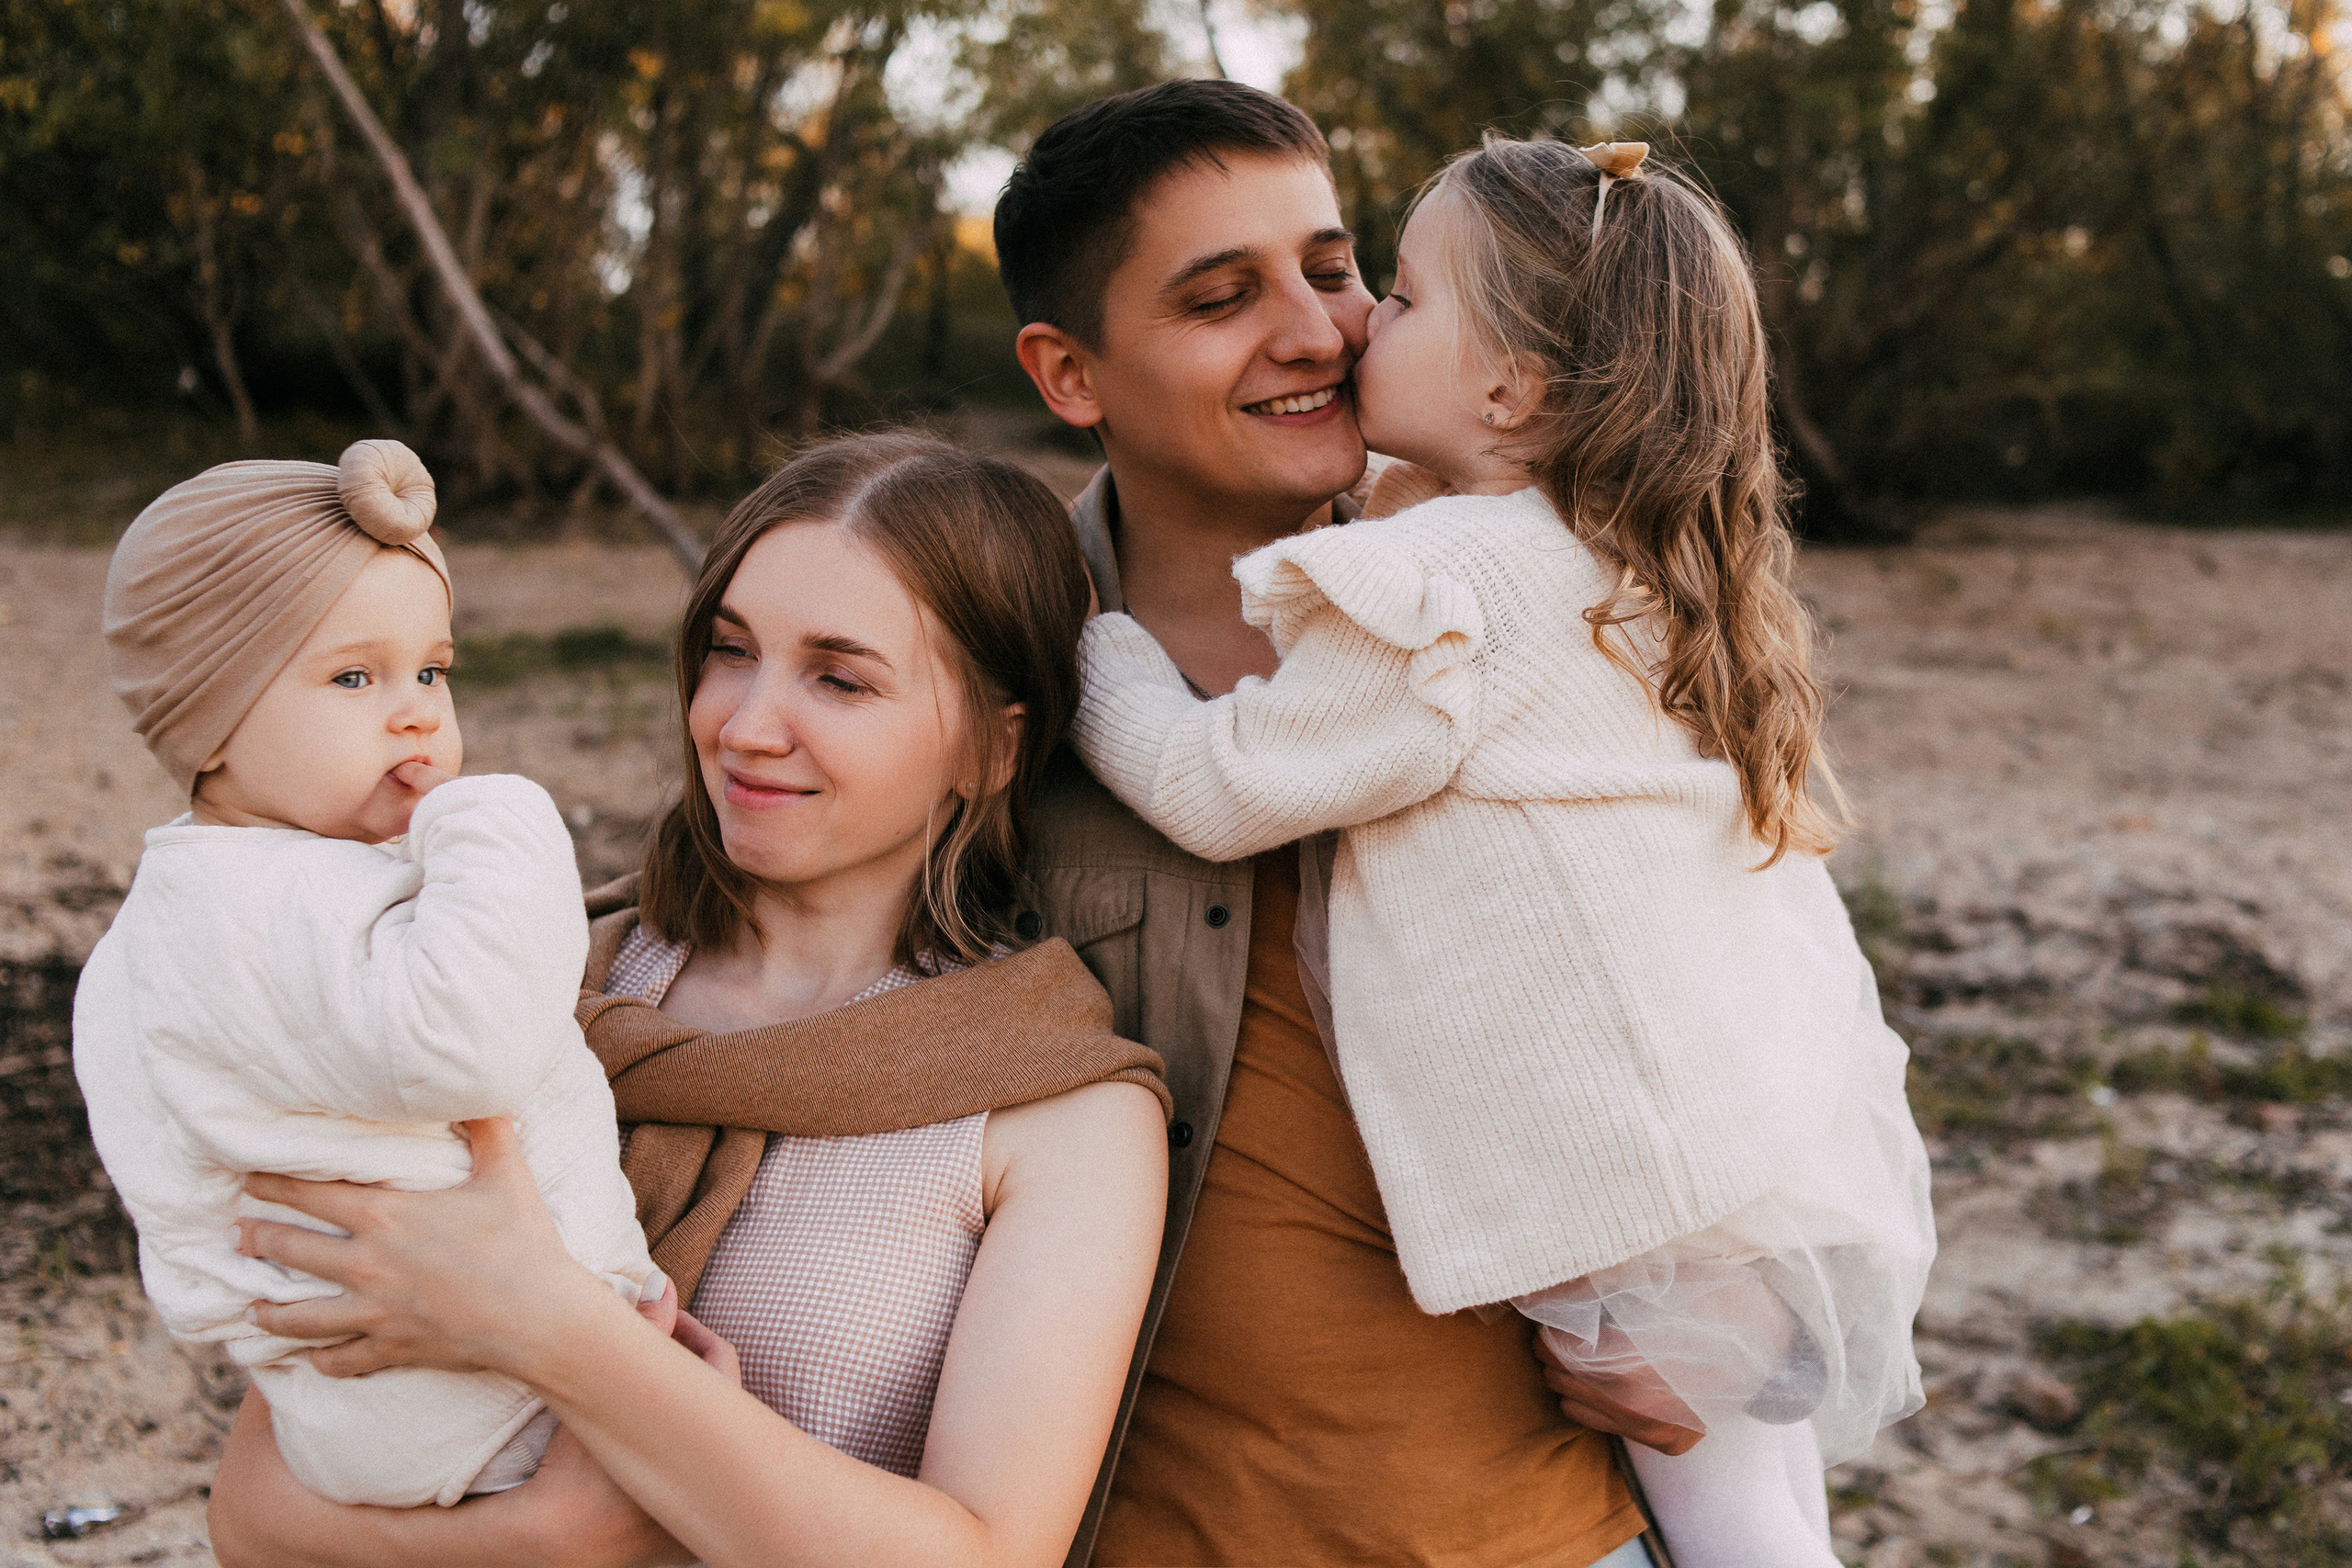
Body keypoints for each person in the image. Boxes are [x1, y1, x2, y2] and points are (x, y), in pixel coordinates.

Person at [1069, 136, 1938, 1568]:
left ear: (1510, 388)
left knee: (1732, 1517)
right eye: (1224, 294)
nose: (1350, 327)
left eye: (1383, 288)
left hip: (1612, 1203)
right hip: (1720, 1150)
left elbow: (1210, 784)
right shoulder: (1624, 555)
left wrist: (1092, 654)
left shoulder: (1439, 581)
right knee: (1764, 1514)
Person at [203, 434, 1173, 1568]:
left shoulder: (1059, 1112)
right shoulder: (528, 981)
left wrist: (545, 1323)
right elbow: (249, 1509)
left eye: (841, 679)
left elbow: (984, 1556)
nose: (746, 725)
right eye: (731, 651)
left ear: (992, 751)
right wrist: (536, 1542)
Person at [996, 81, 1657, 1566]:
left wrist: (1751, 1312)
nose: (1318, 331)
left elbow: (1750, 959)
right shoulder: (983, 666)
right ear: (1070, 372)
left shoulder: (1549, 598)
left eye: (1336, 267)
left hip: (1547, 1529)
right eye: (1221, 296)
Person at [74, 440, 658, 1507]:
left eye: (432, 671)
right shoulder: (252, 911)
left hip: (404, 1396)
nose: (417, 712)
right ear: (211, 722)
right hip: (474, 1396)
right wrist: (498, 819)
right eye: (355, 677)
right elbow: (472, 1045)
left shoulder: (176, 921)